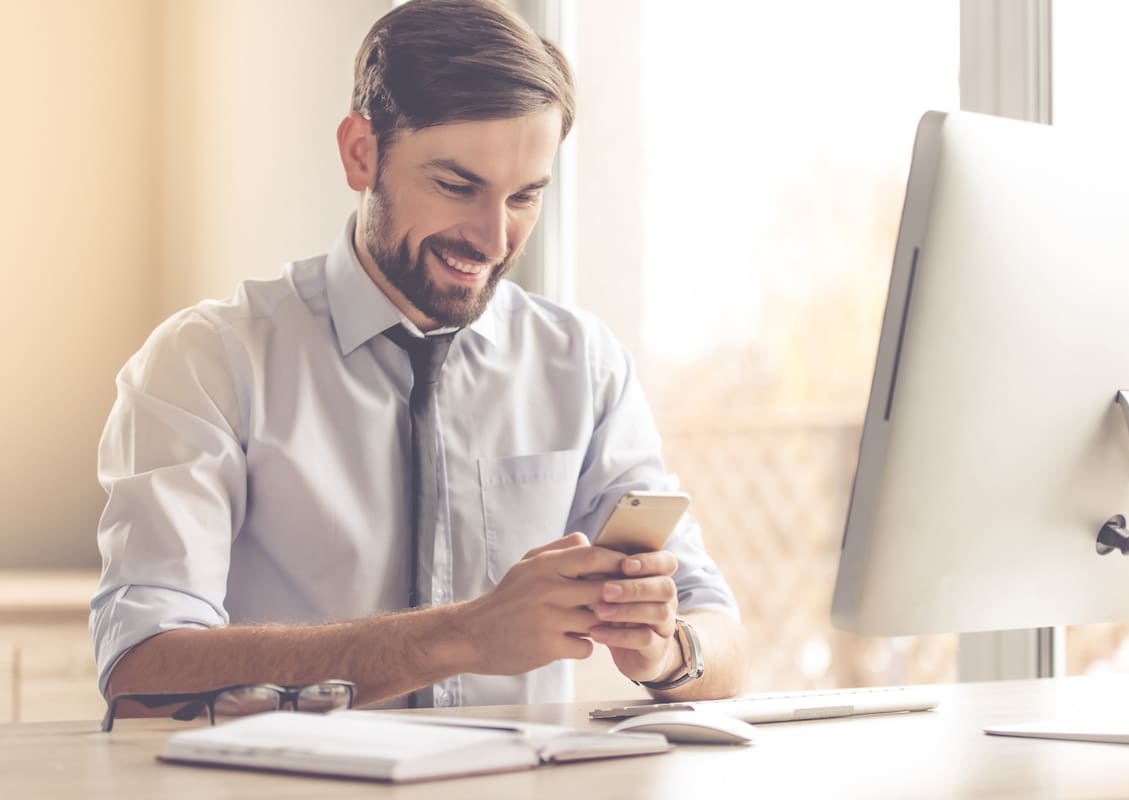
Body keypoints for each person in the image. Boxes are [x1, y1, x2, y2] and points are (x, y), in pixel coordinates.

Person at [90, 0, 746, 710]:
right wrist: (464, 635)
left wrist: (666, 651)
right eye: (457, 187)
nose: (495, 240)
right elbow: (141, 671)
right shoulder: (209, 362)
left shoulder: (582, 366)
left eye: (524, 197)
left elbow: (719, 634)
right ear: (359, 152)